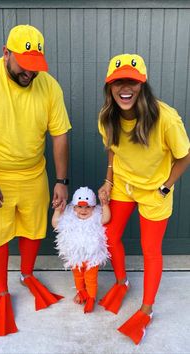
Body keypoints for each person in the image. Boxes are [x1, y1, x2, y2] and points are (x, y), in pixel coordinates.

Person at [0, 24, 71, 337]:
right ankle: (2, 292)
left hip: (33, 173)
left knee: (34, 228)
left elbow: (59, 134)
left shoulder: (48, 86)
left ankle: (27, 275)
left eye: (35, 67)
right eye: (24, 65)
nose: (30, 74)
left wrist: (61, 179)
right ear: (6, 53)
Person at [97, 53, 190, 344]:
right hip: (123, 184)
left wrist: (165, 187)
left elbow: (184, 156)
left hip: (154, 191)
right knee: (109, 236)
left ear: (143, 84)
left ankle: (146, 309)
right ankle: (122, 282)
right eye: (118, 81)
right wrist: (108, 180)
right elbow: (112, 148)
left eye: (132, 82)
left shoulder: (166, 118)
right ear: (110, 86)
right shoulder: (107, 118)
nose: (125, 88)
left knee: (151, 249)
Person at [52, 186, 111, 313]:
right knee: (78, 276)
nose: (83, 210)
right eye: (80, 207)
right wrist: (57, 211)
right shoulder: (70, 218)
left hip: (92, 258)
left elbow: (106, 219)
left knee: (90, 278)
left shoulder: (96, 218)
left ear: (94, 208)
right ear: (73, 207)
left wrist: (105, 205)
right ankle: (81, 292)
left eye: (88, 207)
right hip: (76, 257)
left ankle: (91, 297)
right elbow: (56, 224)